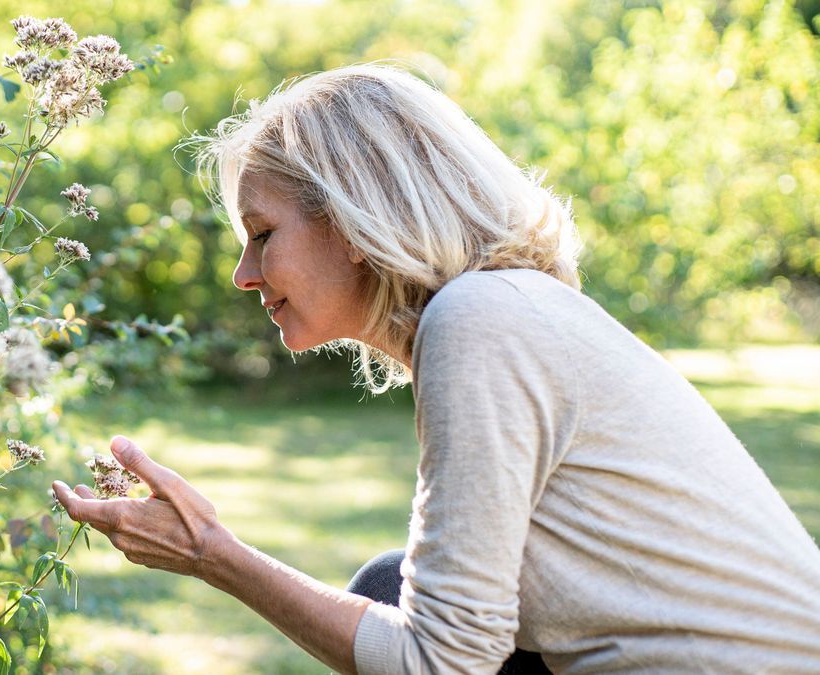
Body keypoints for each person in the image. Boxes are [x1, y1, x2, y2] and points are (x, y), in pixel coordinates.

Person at [51, 64, 820, 674]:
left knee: (384, 598)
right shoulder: (505, 311)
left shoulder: (479, 320)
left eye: (261, 233)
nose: (243, 274)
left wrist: (215, 554)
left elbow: (439, 663)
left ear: (351, 218)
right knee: (388, 585)